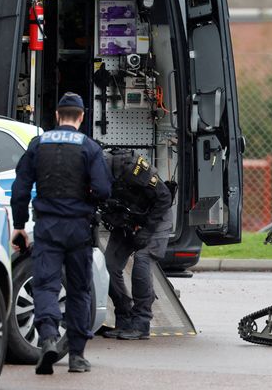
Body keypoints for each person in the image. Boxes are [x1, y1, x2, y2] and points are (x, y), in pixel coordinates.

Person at [11, 92, 111, 374]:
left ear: (57, 115)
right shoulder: (89, 147)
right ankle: (77, 356)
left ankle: (48, 339)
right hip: (79, 227)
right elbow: (103, 189)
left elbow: (20, 189)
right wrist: (88, 200)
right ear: (80, 117)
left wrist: (19, 226)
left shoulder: (38, 144)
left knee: (46, 285)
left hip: (47, 226)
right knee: (79, 289)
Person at [101, 149, 173, 340]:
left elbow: (164, 197)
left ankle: (141, 322)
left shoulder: (130, 167)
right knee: (109, 265)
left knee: (142, 260)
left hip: (156, 217)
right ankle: (124, 317)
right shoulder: (89, 174)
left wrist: (148, 230)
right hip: (127, 218)